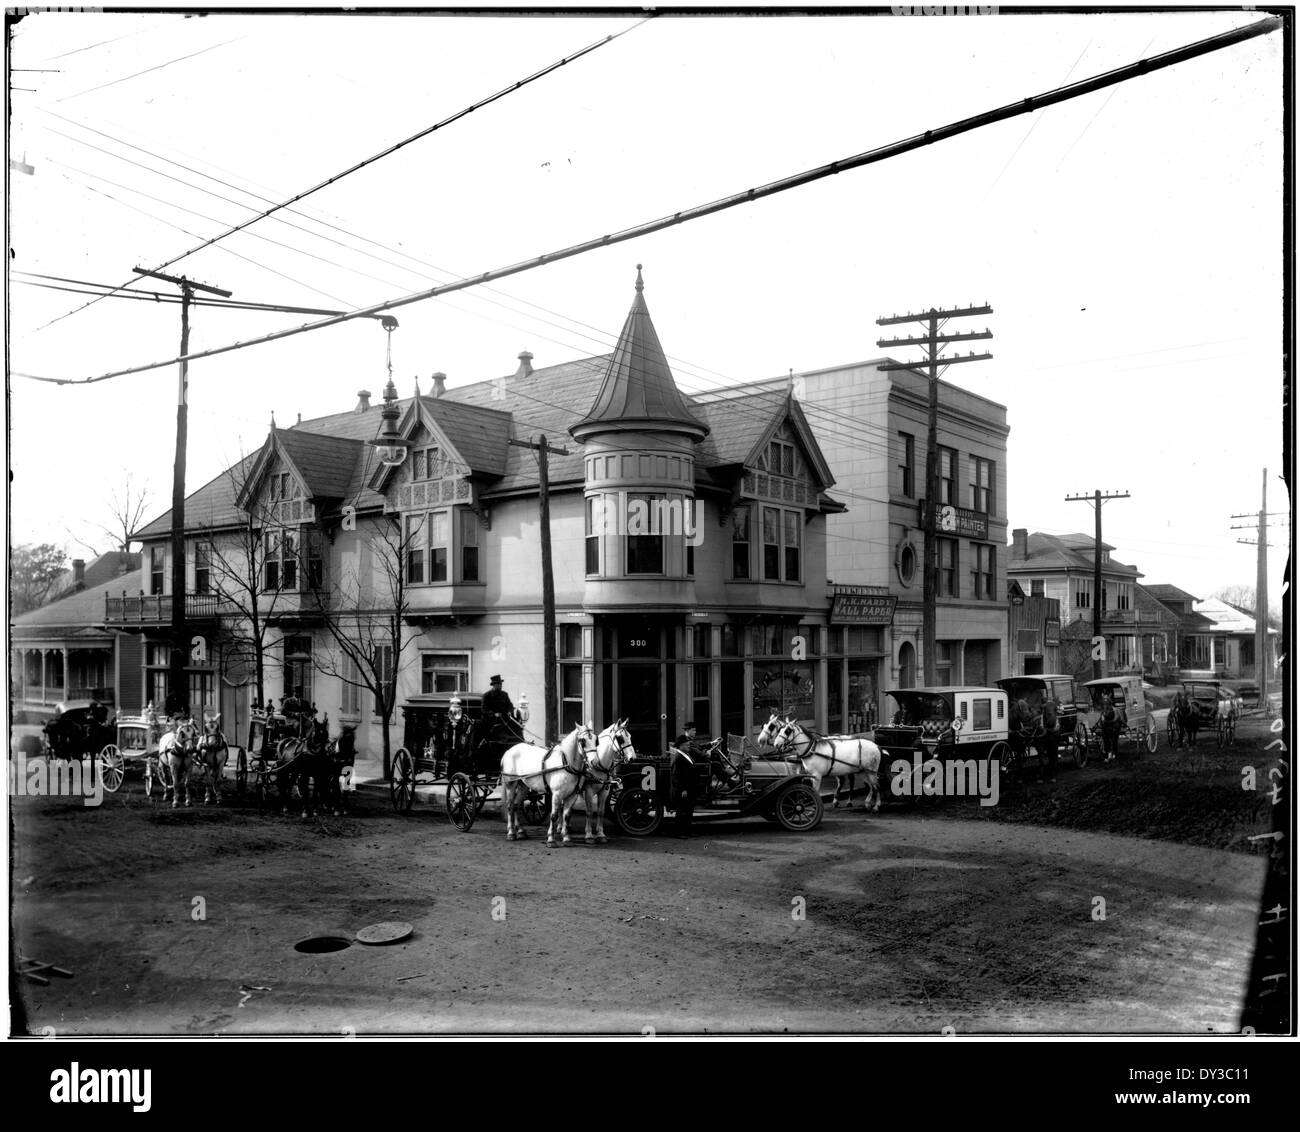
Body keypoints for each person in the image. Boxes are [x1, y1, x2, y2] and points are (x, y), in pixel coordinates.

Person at [669, 722, 702, 839]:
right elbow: (676, 776)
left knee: (688, 811)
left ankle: (687, 832)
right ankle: (678, 833)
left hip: (689, 789)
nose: (689, 746)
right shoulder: (678, 758)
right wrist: (683, 789)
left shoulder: (685, 754)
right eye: (687, 745)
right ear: (681, 745)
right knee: (682, 811)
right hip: (683, 791)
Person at [1039, 696, 1060, 782]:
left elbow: (1055, 725)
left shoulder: (1052, 713)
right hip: (1046, 734)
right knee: (1044, 754)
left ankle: (1051, 775)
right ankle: (1045, 775)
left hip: (1052, 734)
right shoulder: (1043, 715)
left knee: (1052, 754)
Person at [1099, 692, 1120, 763]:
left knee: (1114, 739)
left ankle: (1114, 753)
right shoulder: (1104, 707)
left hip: (1113, 722)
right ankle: (1108, 754)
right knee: (1106, 739)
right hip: (1106, 722)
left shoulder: (1110, 704)